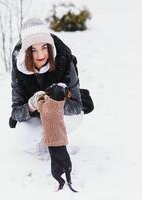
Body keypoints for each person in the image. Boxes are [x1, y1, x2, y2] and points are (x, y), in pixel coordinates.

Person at [9, 18, 83, 156]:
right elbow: (16, 112)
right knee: (21, 136)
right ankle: (41, 143)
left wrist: (56, 100)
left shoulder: (63, 59)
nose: (40, 55)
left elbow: (77, 105)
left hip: (64, 113)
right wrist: (33, 104)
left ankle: (57, 146)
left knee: (63, 120)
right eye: (33, 50)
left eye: (44, 47)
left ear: (50, 46)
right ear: (26, 52)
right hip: (36, 114)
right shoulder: (19, 67)